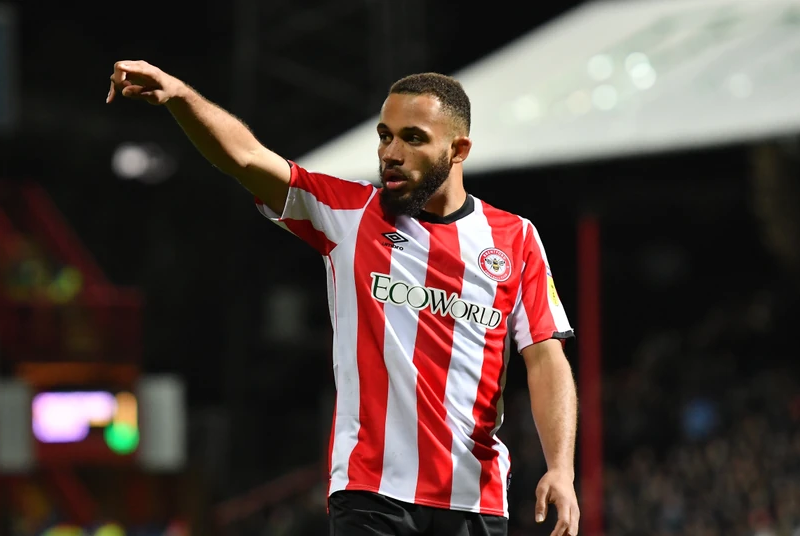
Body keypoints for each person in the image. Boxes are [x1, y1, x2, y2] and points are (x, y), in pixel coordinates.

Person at [106, 60, 580, 536]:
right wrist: (180, 96)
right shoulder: (350, 213)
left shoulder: (515, 238)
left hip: (474, 498)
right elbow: (246, 157)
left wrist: (561, 467)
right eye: (385, 136)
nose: (391, 153)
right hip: (370, 493)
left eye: (412, 138)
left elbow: (545, 357)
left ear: (458, 150)